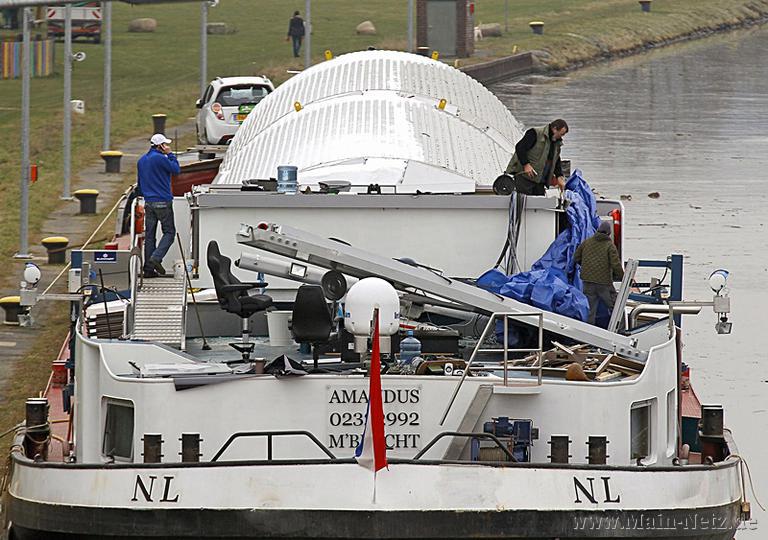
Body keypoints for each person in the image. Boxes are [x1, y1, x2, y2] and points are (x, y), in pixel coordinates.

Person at [137, 134, 180, 278]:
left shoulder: (142, 160)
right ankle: (156, 258)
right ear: (160, 146)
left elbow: (140, 183)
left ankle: (148, 270)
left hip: (148, 202)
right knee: (169, 232)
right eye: (165, 145)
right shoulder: (161, 158)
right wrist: (171, 155)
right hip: (163, 200)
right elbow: (176, 170)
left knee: (150, 236)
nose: (167, 147)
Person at [574, 221, 625, 325]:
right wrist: (623, 278)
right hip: (604, 283)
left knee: (590, 310)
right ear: (608, 233)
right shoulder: (609, 245)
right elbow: (615, 264)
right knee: (615, 307)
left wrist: (585, 266)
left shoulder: (587, 242)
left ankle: (589, 332)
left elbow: (576, 258)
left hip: (587, 281)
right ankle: (621, 329)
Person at [505, 119, 569, 195]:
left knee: (539, 203)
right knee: (524, 202)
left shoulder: (556, 142)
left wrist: (559, 176)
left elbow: (556, 159)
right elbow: (520, 148)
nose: (561, 137)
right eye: (561, 134)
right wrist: (526, 164)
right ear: (554, 129)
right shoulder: (535, 133)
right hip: (525, 178)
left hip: (540, 181)